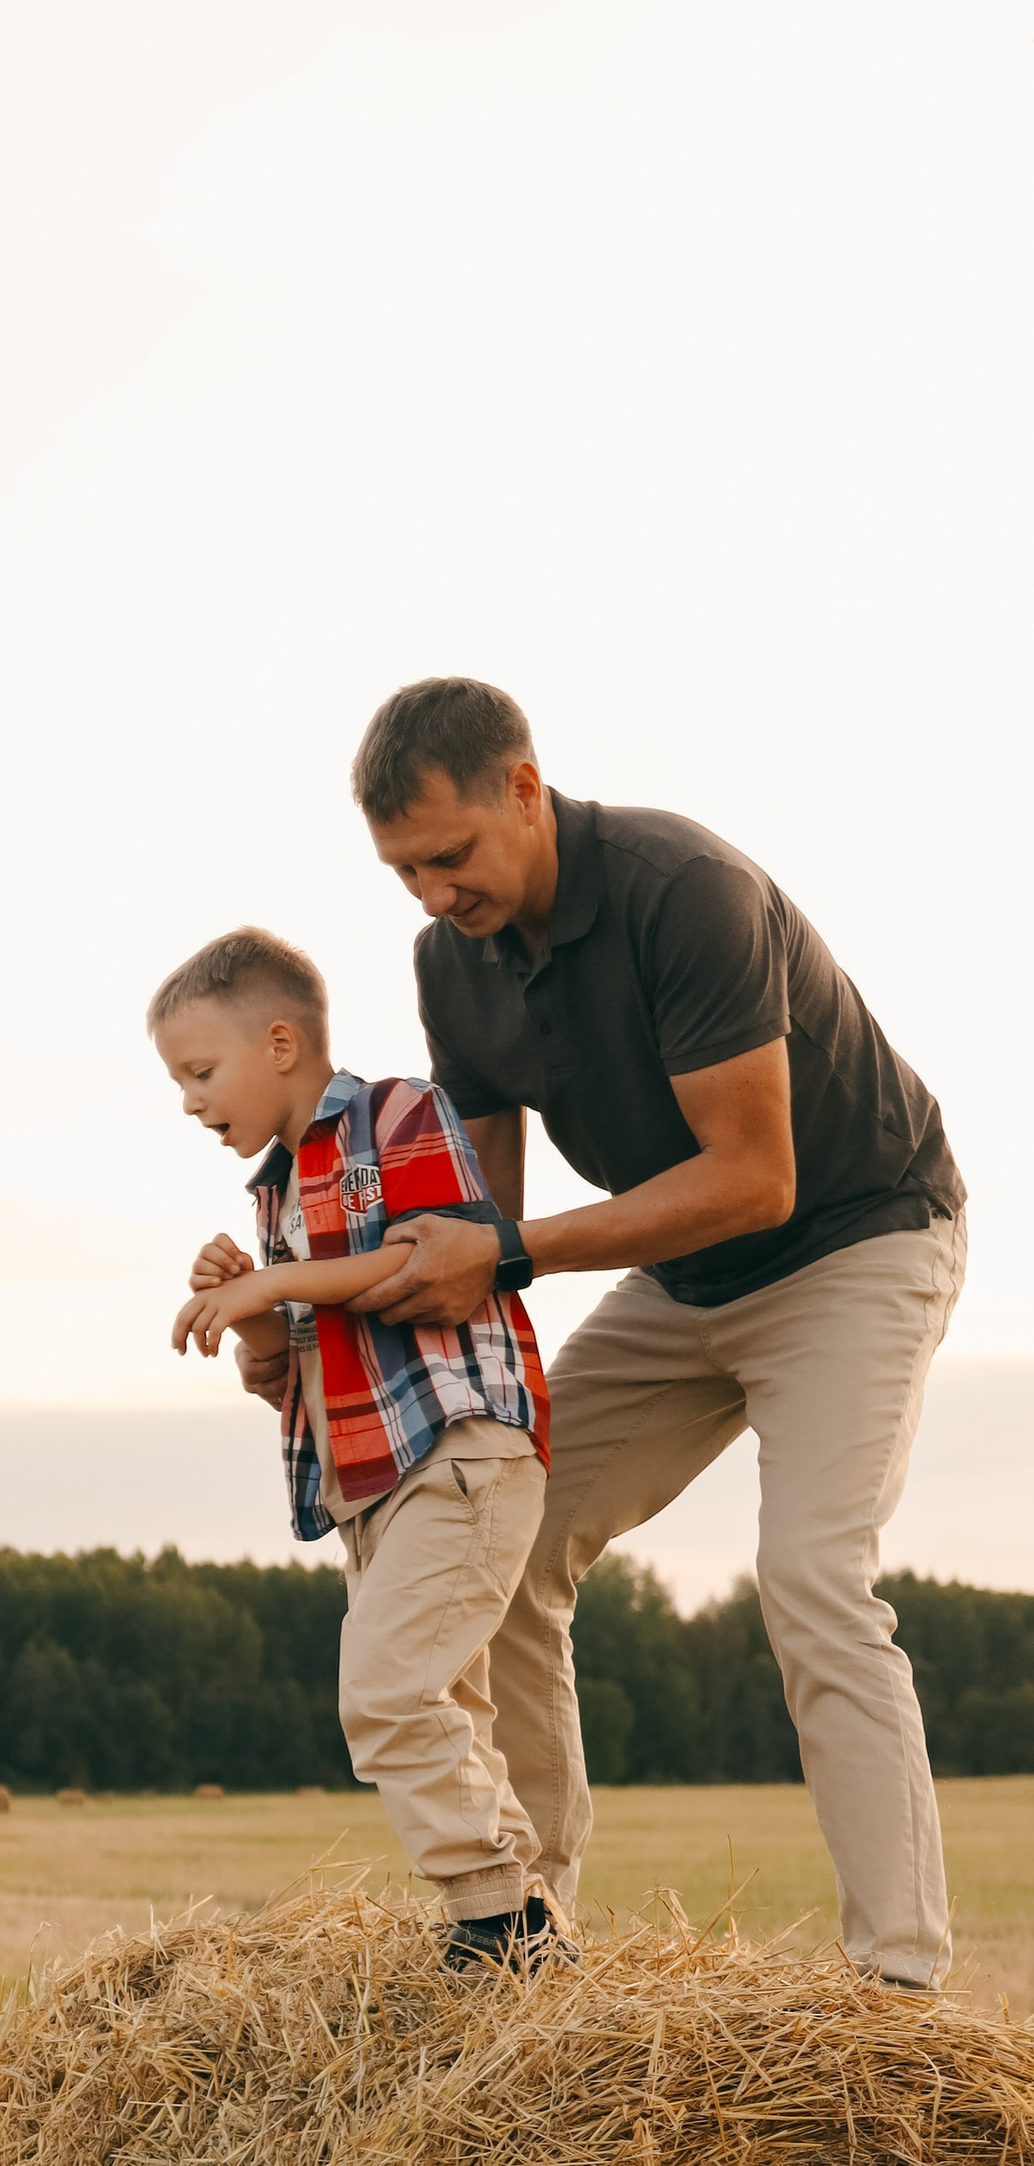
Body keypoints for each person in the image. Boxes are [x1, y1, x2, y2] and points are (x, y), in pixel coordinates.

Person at [345, 676, 968, 1990]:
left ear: (526, 789)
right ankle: (531, 1945)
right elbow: (484, 1224)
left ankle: (898, 1990)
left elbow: (756, 1177)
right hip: (683, 1281)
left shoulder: (683, 889)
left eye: (450, 856)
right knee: (508, 1538)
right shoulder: (448, 965)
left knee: (810, 1576)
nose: (434, 894)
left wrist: (504, 1252)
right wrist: (309, 1313)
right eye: (406, 872)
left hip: (852, 1241)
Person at [151, 926, 557, 1968]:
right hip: (371, 1490)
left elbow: (424, 1264)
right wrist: (245, 1310)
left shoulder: (397, 1113)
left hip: (458, 1459)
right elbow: (295, 1371)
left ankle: (492, 1921)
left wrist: (276, 1281)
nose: (189, 1103)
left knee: (384, 1692)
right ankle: (528, 1930)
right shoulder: (276, 1194)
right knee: (448, 1705)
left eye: (201, 1072)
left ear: (280, 1044)